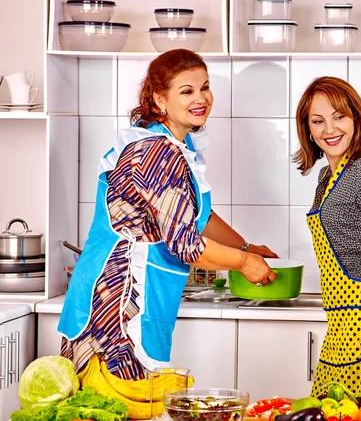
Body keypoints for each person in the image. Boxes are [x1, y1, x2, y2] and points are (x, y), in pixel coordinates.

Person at [58, 49, 278, 380]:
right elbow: (187, 246)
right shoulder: (157, 153)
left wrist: (246, 248)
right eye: (186, 91)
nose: (201, 98)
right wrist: (245, 264)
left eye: (205, 87)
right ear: (160, 98)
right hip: (119, 301)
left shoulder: (168, 143)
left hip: (123, 291)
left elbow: (197, 217)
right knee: (119, 408)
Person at [293, 76, 361, 397]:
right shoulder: (327, 175)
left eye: (339, 117)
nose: (330, 129)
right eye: (318, 121)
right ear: (308, 130)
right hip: (339, 328)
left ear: (356, 117)